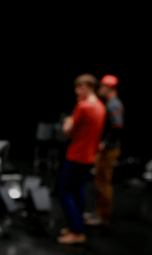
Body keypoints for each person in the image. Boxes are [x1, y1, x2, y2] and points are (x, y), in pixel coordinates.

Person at [57, 74, 106, 244]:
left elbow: (68, 132)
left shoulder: (83, 106)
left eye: (80, 87)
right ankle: (76, 226)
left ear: (88, 87)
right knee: (78, 192)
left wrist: (67, 121)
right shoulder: (100, 106)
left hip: (76, 155)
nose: (77, 91)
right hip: (89, 156)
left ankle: (76, 232)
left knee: (64, 192)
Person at [84, 74, 125, 227]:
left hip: (110, 150)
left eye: (103, 86)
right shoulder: (110, 103)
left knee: (103, 183)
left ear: (110, 88)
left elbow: (117, 127)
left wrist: (105, 143)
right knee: (99, 181)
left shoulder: (113, 104)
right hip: (108, 149)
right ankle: (99, 212)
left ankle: (103, 216)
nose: (100, 89)